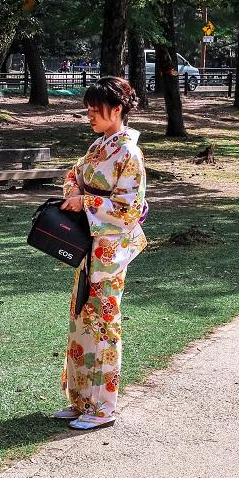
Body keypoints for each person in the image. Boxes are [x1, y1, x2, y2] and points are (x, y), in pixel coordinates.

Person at [55, 76, 148, 430]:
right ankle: (79, 400)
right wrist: (75, 192)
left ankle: (103, 406)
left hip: (110, 250)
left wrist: (87, 200)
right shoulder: (100, 146)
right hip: (89, 245)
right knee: (81, 318)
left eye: (96, 109)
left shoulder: (129, 152)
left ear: (118, 109)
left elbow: (128, 208)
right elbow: (74, 174)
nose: (90, 115)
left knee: (103, 323)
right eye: (89, 109)